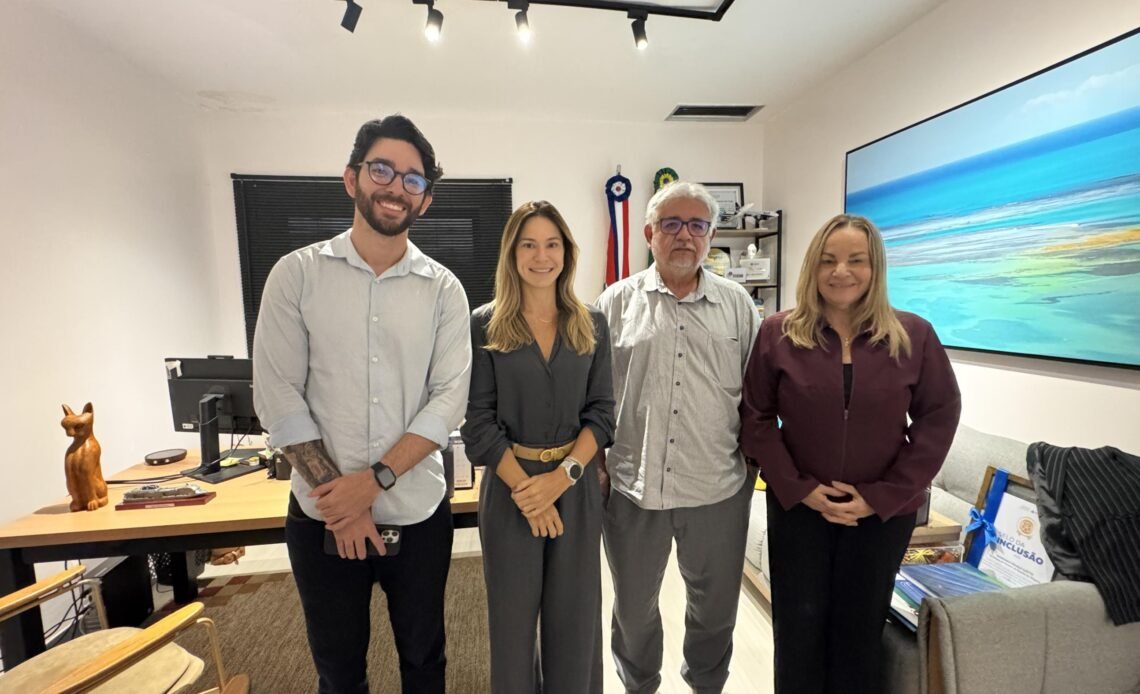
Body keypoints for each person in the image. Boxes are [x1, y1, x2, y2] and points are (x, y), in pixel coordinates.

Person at [252, 115, 472, 694]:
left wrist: (371, 484)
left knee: (425, 663)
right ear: (352, 178)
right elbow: (277, 395)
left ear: (425, 200)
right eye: (382, 170)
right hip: (320, 518)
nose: (396, 187)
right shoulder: (295, 275)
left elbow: (448, 400)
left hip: (418, 515)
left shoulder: (444, 290)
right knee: (339, 671)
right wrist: (342, 504)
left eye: (413, 179)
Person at [739, 213, 961, 694]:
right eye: (828, 260)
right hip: (800, 510)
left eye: (856, 260)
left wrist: (882, 496)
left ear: (874, 266)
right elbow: (755, 418)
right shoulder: (778, 333)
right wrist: (799, 488)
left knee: (859, 633)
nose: (841, 271)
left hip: (880, 515)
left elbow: (938, 418)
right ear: (812, 268)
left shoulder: (914, 335)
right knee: (798, 631)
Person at [595, 181, 761, 694]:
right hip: (634, 488)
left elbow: (759, 397)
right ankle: (639, 684)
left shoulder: (739, 306)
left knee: (714, 610)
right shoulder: (614, 303)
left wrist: (754, 468)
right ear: (650, 234)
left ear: (711, 235)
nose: (684, 235)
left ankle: (706, 686)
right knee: (632, 608)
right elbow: (593, 396)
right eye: (671, 224)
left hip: (717, 489)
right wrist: (597, 463)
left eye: (697, 225)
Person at [461, 200, 615, 694]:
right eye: (528, 244)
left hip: (575, 486)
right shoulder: (484, 325)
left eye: (552, 244)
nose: (541, 256)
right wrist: (530, 494)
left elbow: (602, 413)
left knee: (576, 623)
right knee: (511, 628)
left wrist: (560, 480)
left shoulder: (592, 324)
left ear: (567, 253)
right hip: (511, 491)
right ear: (512, 253)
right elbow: (478, 423)